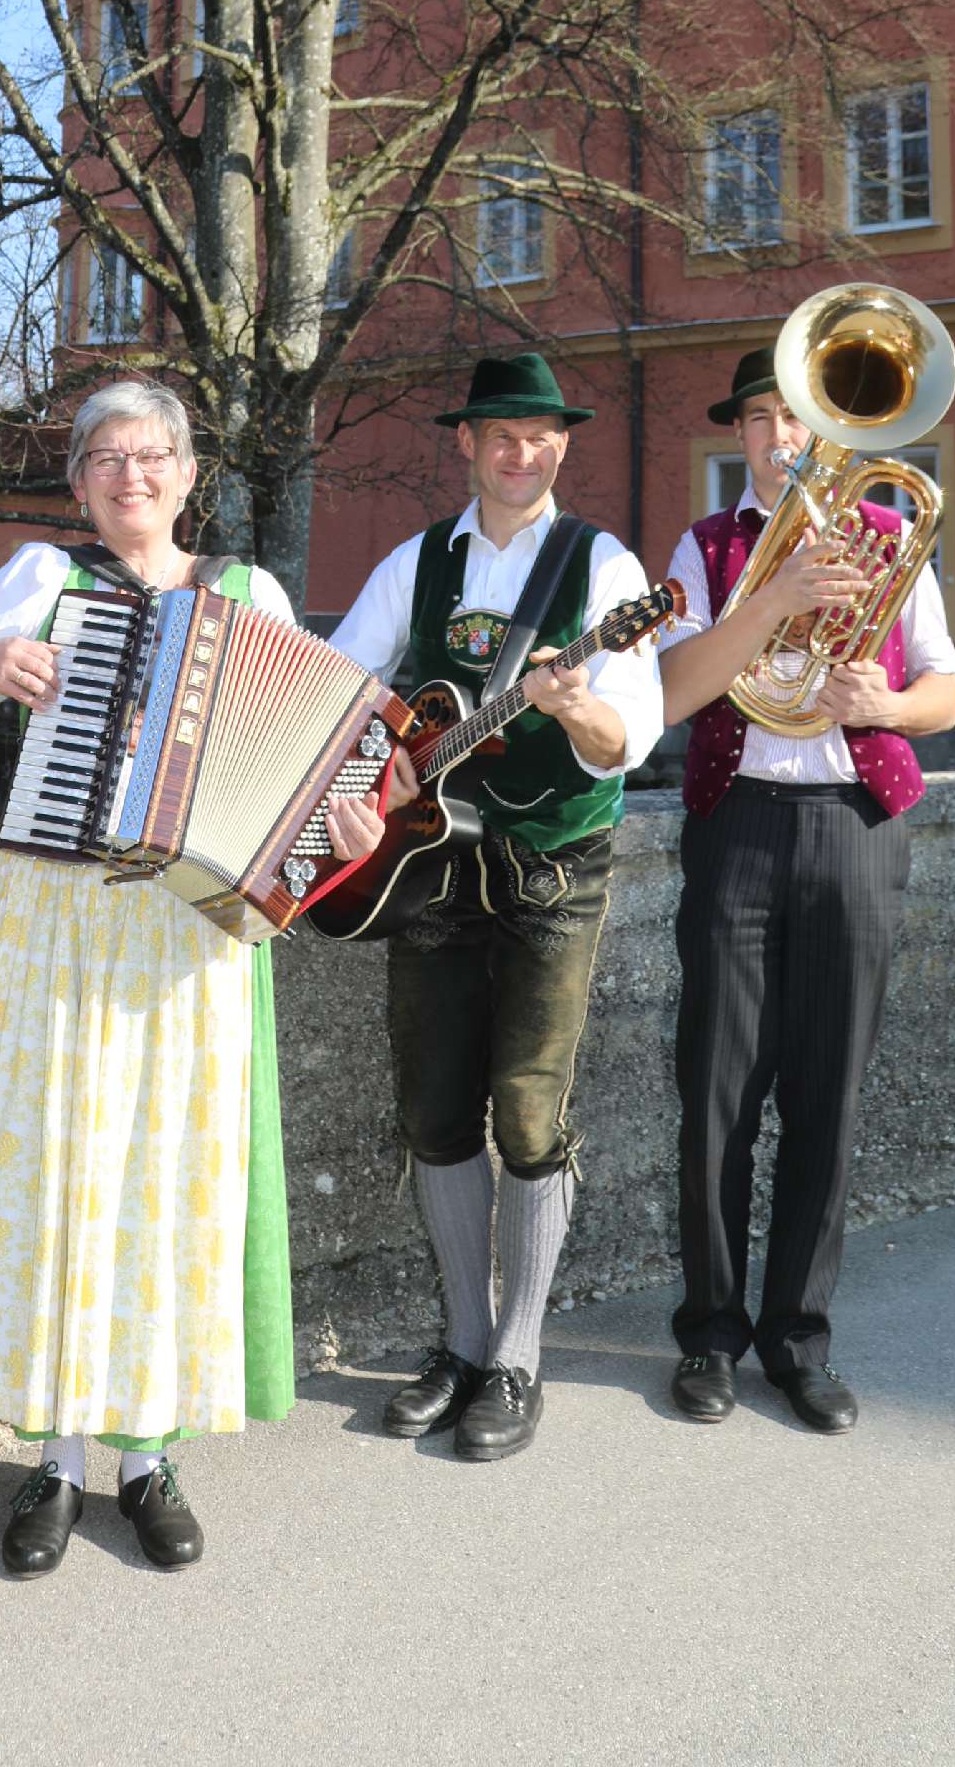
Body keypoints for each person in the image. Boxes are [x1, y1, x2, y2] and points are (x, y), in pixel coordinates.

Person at [0, 378, 332, 1578]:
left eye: (153, 454)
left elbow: (307, 766)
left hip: (188, 935)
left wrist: (314, 838)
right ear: (79, 481)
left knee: (167, 1183)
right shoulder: (43, 579)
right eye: (107, 458)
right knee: (59, 1174)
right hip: (59, 921)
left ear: (189, 473)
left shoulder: (252, 596)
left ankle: (147, 1459)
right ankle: (57, 1458)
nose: (132, 474)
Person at [322, 351, 664, 1465]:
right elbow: (334, 687)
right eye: (502, 435)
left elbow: (629, 738)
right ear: (466, 444)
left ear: (563, 446)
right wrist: (377, 767)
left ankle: (518, 1354)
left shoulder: (605, 566)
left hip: (554, 864)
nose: (523, 453)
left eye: (542, 436)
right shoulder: (418, 561)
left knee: (525, 1112)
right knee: (432, 1110)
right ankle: (463, 1342)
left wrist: (572, 707)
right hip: (429, 865)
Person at [656, 344, 955, 1436]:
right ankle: (709, 1334)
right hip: (737, 821)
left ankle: (799, 1341)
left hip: (855, 827)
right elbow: (674, 690)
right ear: (737, 436)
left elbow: (946, 693)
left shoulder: (887, 534)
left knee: (828, 1094)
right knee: (717, 1093)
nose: (779, 436)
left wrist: (885, 704)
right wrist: (775, 596)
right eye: (758, 418)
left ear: (827, 430)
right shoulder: (704, 547)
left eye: (794, 416)